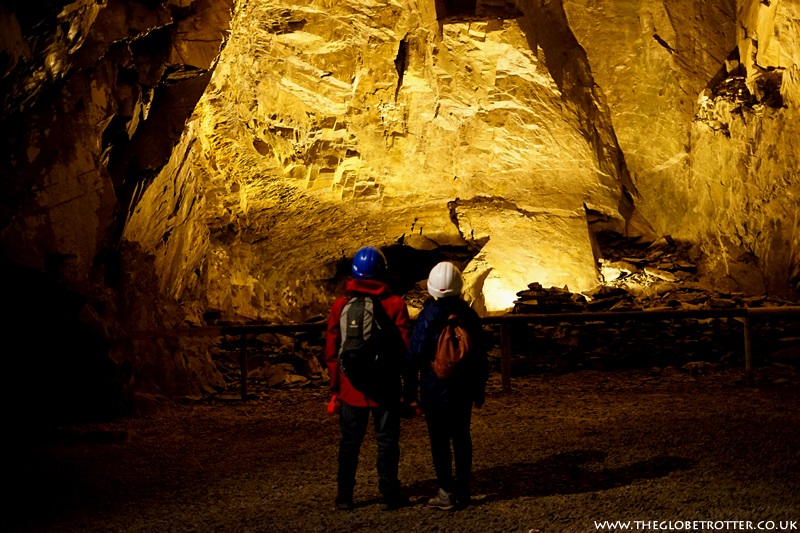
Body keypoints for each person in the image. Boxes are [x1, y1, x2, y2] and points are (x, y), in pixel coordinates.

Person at [324, 245, 413, 511]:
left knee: (350, 442)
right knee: (386, 440)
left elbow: (331, 351)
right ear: (383, 272)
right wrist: (409, 390)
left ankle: (344, 495)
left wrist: (336, 387)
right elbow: (406, 351)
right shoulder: (396, 304)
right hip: (385, 387)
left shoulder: (341, 305)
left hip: (351, 387)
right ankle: (388, 493)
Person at [405, 261, 489, 511]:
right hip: (463, 388)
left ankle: (445, 491)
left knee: (439, 441)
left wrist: (409, 394)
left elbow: (414, 356)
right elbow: (480, 355)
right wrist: (479, 388)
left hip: (434, 388)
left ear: (431, 288)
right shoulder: (469, 315)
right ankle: (463, 491)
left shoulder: (428, 316)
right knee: (462, 437)